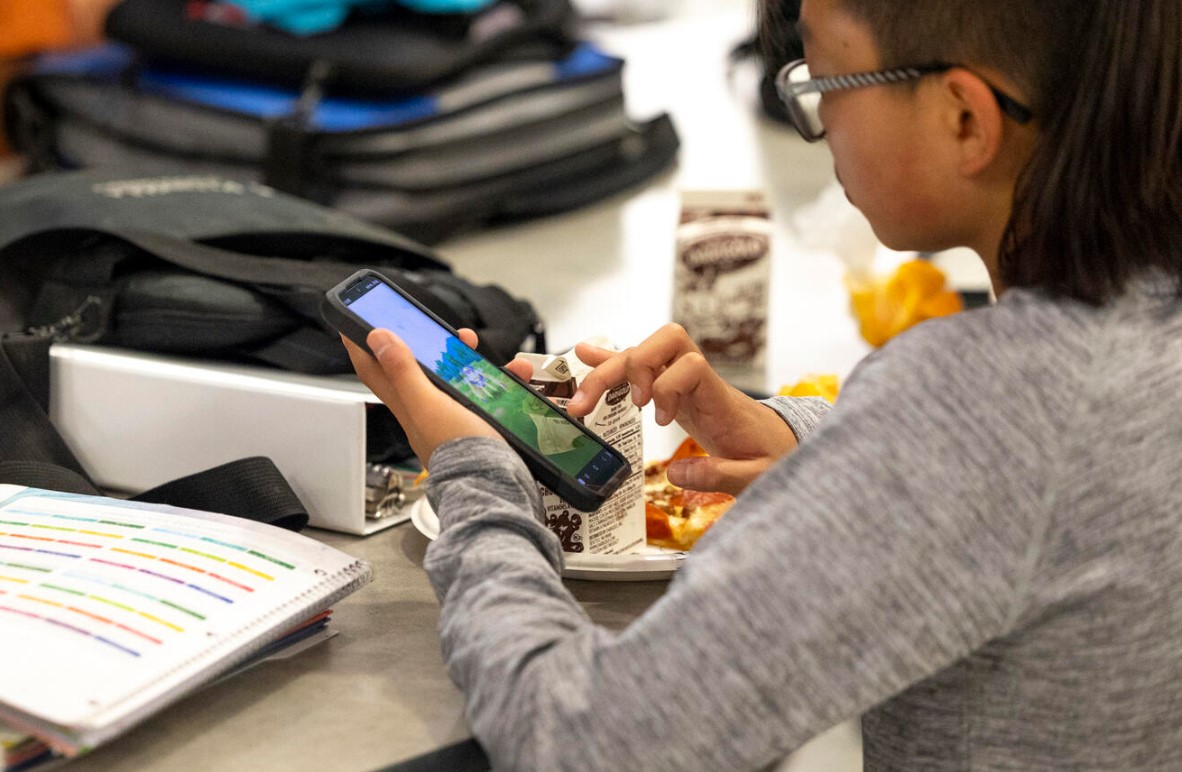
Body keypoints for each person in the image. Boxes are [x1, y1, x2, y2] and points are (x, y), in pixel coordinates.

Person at [343, 0, 1182, 768]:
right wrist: (812, 443)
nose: (815, 119)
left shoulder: (986, 409)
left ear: (965, 117)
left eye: (823, 80)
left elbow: (583, 737)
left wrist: (472, 473)